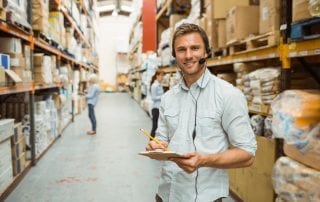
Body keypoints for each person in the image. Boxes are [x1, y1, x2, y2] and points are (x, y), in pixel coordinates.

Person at [146, 23, 257, 202]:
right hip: (167, 194)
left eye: (195, 48)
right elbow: (162, 139)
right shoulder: (168, 98)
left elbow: (247, 154)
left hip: (205, 197)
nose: (188, 55)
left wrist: (204, 160)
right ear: (174, 55)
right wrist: (156, 146)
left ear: (206, 52)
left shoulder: (229, 95)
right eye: (181, 50)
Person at [150, 70, 165, 137]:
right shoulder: (154, 85)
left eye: (163, 75)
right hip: (156, 109)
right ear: (157, 76)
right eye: (161, 75)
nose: (162, 77)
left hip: (159, 108)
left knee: (159, 127)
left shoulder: (159, 84)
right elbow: (153, 98)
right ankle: (151, 141)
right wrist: (163, 96)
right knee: (155, 127)